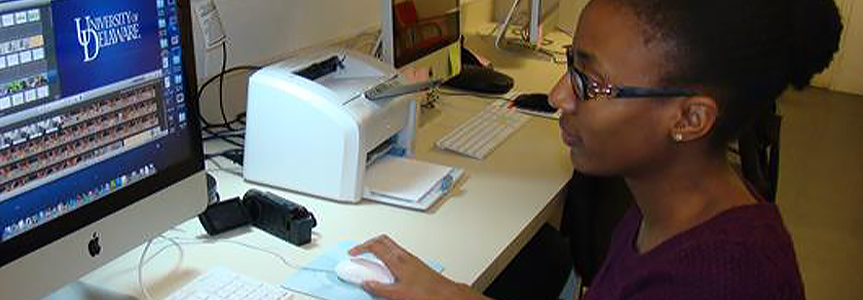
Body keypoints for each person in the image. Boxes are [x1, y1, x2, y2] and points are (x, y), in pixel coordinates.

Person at [350, 0, 843, 299]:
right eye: (571, 66)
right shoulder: (665, 208)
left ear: (690, 119)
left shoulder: (717, 283)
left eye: (591, 82)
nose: (561, 95)